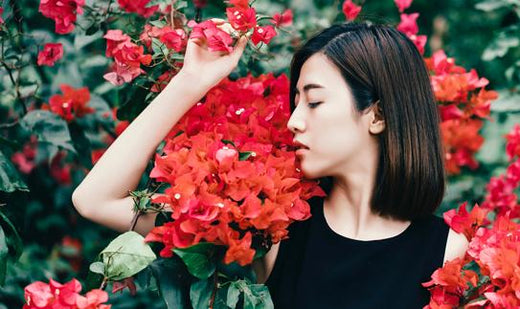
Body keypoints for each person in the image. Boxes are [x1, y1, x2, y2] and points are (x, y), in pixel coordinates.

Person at [72, 21, 469, 308]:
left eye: (313, 101)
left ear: (377, 116)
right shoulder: (273, 227)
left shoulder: (447, 253)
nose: (294, 119)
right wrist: (190, 81)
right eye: (295, 101)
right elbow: (96, 200)